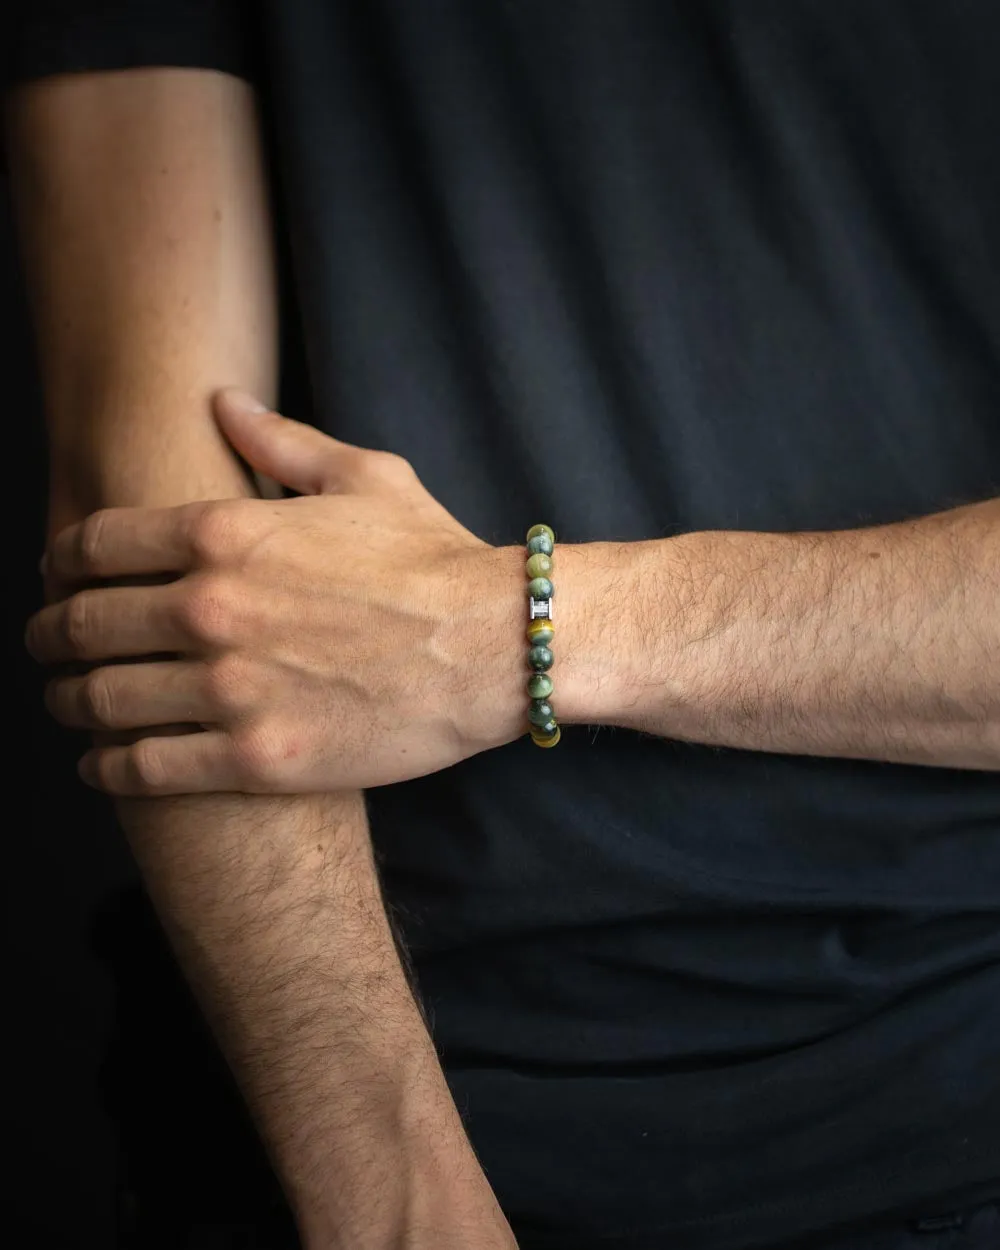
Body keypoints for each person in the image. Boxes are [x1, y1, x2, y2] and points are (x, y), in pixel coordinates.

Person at [6, 2, 1000, 1247]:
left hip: (949, 1119)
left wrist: (506, 629)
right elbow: (154, 498)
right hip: (321, 1117)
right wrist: (392, 1194)